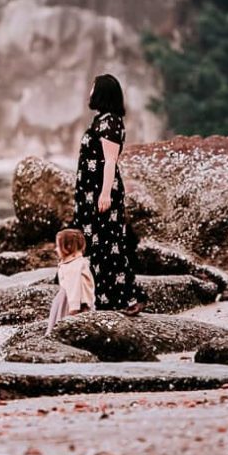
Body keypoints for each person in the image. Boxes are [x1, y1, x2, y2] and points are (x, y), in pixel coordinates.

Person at [71, 74, 146, 315]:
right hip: (89, 194)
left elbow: (110, 161)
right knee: (94, 246)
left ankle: (130, 298)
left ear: (102, 93)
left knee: (109, 245)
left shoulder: (110, 122)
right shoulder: (100, 120)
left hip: (101, 194)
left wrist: (104, 194)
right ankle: (100, 299)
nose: (89, 93)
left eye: (93, 88)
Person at [46, 228, 95, 335]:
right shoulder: (77, 262)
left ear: (68, 247)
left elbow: (74, 287)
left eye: (58, 246)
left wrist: (73, 307)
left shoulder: (74, 265)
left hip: (70, 300)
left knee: (64, 322)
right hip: (73, 298)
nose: (56, 249)